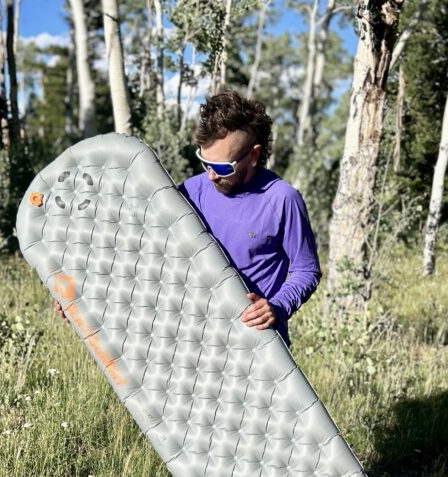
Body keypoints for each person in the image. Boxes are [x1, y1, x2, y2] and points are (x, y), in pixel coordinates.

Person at [55, 90, 322, 348]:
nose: (211, 176)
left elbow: (306, 270)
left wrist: (277, 306)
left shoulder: (282, 199)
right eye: (205, 162)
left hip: (254, 347)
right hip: (192, 341)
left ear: (253, 155)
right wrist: (84, 294)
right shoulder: (192, 191)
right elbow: (147, 254)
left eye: (221, 167)